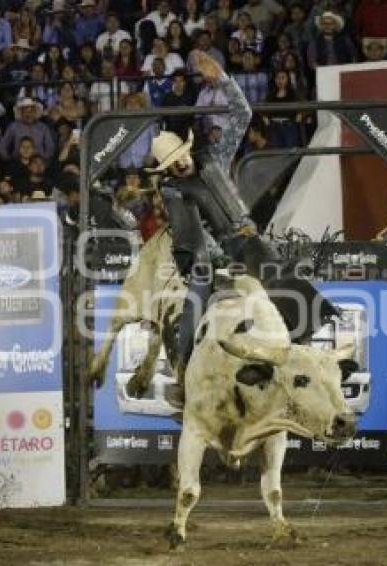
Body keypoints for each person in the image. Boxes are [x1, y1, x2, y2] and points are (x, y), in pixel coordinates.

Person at [144, 51, 253, 378]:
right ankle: (184, 365)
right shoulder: (173, 191)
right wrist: (224, 260)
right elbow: (193, 234)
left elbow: (243, 113)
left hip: (238, 241)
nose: (180, 164)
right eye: (172, 164)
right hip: (208, 255)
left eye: (181, 157)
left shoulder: (215, 160)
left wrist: (221, 79)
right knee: (200, 284)